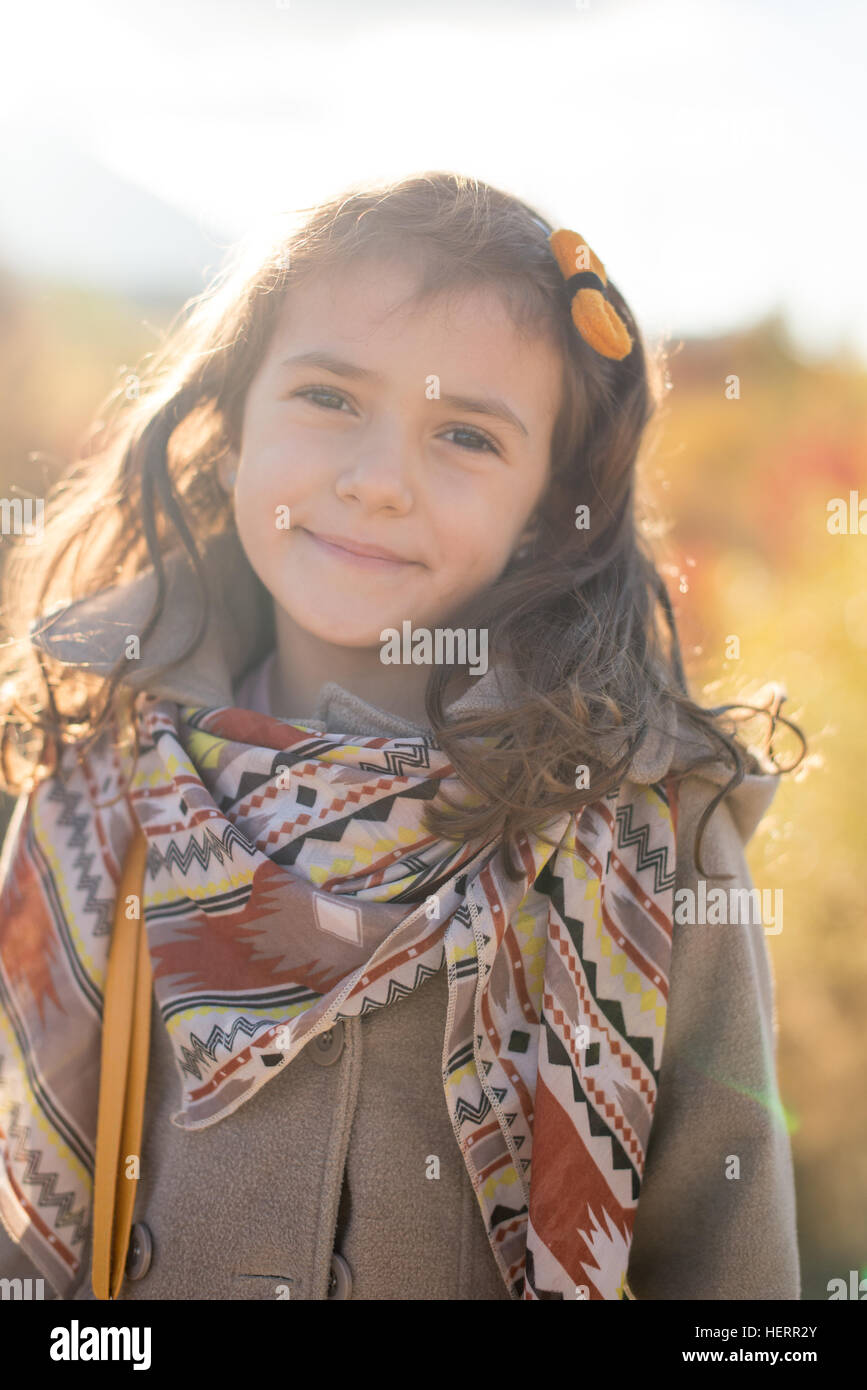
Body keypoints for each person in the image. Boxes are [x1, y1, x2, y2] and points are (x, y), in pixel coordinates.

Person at [0, 171, 804, 1301]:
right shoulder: (100, 783)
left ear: (545, 511)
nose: (378, 482)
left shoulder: (644, 833)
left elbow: (732, 1263)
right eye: (329, 398)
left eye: (467, 435)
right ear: (232, 428)